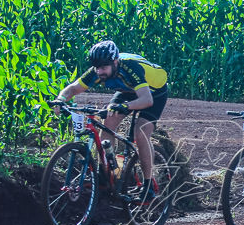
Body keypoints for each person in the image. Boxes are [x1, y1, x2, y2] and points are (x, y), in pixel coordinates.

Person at [54, 40, 168, 202]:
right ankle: (106, 172)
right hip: (128, 91)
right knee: (108, 122)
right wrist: (61, 98)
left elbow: (146, 100)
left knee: (141, 132)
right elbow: (73, 88)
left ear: (115, 62)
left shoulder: (130, 68)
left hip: (153, 93)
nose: (99, 71)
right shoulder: (98, 70)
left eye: (103, 67)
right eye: (97, 67)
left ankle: (148, 184)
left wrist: (125, 106)